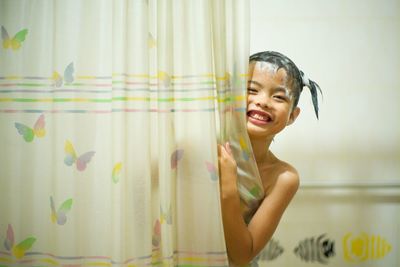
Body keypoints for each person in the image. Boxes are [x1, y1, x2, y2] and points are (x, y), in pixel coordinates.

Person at [218, 51, 322, 266]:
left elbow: (242, 255)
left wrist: (228, 187)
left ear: (293, 115)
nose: (263, 102)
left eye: (279, 97)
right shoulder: (207, 148)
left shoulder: (283, 177)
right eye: (251, 90)